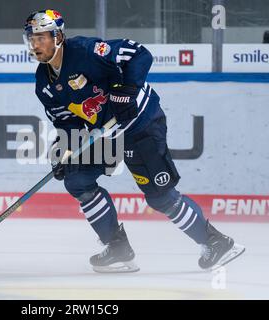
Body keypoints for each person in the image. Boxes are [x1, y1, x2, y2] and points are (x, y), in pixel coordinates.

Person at [23, 9, 245, 273]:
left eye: (41, 38)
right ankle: (118, 249)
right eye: (31, 38)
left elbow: (139, 54)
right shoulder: (43, 83)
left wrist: (128, 90)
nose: (35, 44)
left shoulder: (86, 50)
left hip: (140, 124)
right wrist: (64, 151)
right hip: (104, 132)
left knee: (160, 198)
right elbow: (67, 123)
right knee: (77, 179)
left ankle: (216, 242)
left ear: (58, 36)